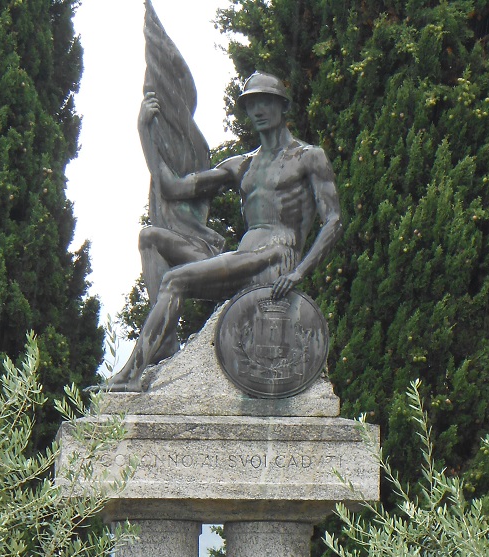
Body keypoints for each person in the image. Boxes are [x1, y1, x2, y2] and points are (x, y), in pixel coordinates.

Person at [108, 72, 343, 391]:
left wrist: (301, 271)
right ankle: (161, 346)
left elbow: (333, 221)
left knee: (175, 281)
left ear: (281, 106)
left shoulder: (308, 157)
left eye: (265, 102)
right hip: (245, 258)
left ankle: (131, 375)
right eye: (251, 104)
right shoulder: (241, 165)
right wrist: (145, 132)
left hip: (275, 259)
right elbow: (173, 188)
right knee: (150, 237)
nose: (258, 110)